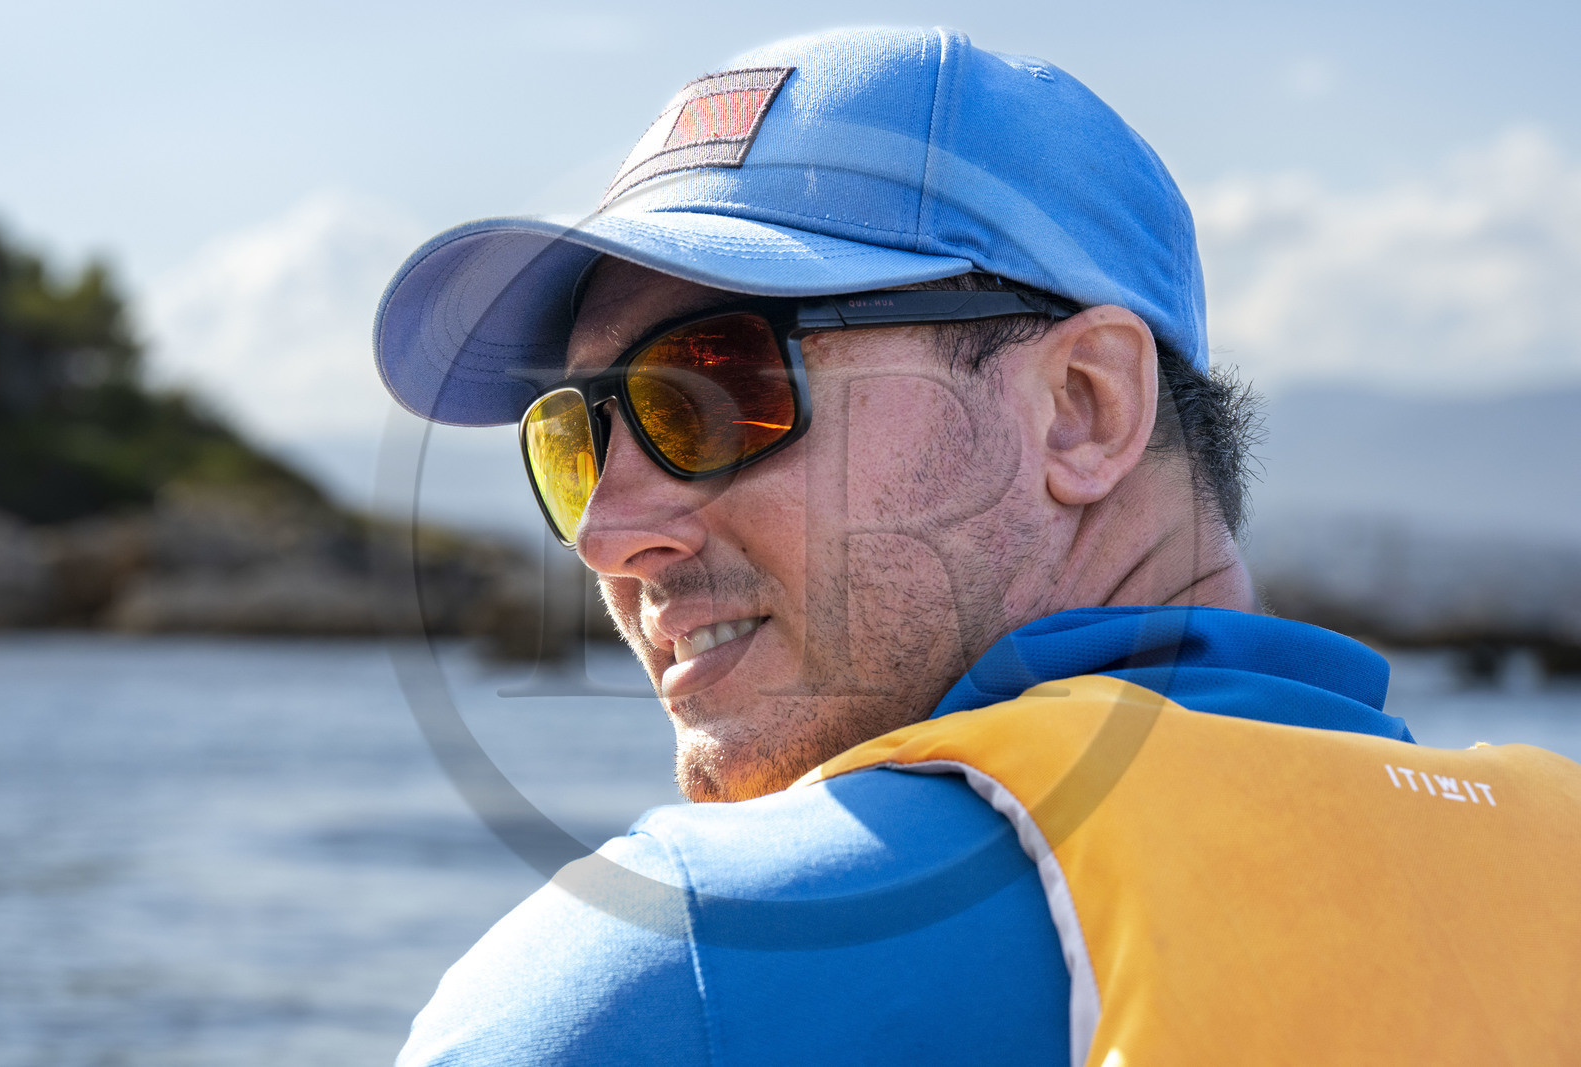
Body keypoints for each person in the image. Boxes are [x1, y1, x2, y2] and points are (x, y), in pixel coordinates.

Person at [375, 27, 1581, 1066]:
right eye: (572, 440)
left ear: (1084, 407)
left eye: (716, 389)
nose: (607, 532)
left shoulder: (671, 970)